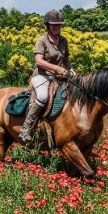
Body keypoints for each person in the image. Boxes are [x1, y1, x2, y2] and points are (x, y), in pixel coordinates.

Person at [19, 9, 76, 144]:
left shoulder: (63, 41)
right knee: (43, 96)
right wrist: (56, 68)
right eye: (53, 25)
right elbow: (39, 61)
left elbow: (66, 59)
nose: (56, 27)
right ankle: (26, 128)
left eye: (59, 25)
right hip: (42, 75)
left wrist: (71, 69)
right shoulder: (42, 40)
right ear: (48, 25)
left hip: (58, 76)